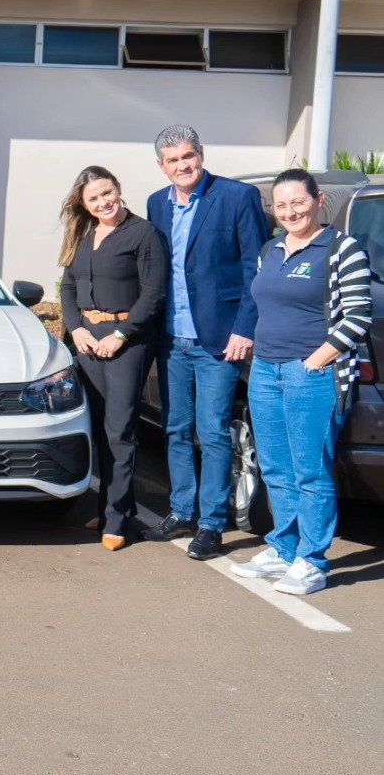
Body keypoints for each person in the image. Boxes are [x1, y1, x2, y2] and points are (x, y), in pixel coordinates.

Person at [230, 169, 370, 595]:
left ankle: (312, 561)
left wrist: (315, 361)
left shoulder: (342, 250)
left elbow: (358, 317)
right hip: (266, 371)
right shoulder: (269, 250)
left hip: (311, 373)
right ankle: (283, 549)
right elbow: (260, 306)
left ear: (318, 200)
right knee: (276, 467)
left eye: (299, 202)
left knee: (311, 471)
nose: (290, 211)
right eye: (282, 205)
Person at [144, 125, 269, 560]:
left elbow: (258, 267)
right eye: (173, 161)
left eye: (188, 157)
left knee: (212, 432)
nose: (183, 166)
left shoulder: (237, 197)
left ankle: (212, 523)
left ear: (201, 154)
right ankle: (182, 511)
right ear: (162, 166)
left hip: (220, 339)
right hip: (172, 337)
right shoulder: (156, 204)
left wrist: (245, 328)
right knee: (176, 428)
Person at [59, 167, 167, 550]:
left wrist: (121, 335)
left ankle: (119, 520)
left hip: (128, 341)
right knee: (101, 427)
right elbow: (68, 286)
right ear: (84, 204)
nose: (103, 202)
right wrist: (78, 329)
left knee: (121, 431)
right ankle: (107, 508)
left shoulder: (143, 233)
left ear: (119, 188)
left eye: (107, 193)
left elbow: (153, 294)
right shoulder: (83, 235)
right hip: (89, 340)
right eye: (94, 198)